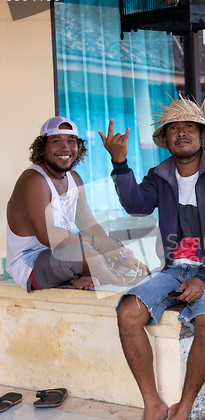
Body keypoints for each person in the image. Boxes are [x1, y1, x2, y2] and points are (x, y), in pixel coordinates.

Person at [100, 95, 205, 420]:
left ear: (201, 135)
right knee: (128, 312)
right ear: (165, 139)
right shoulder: (159, 176)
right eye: (173, 128)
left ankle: (182, 409)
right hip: (174, 268)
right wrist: (120, 164)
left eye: (189, 127)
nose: (181, 133)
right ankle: (153, 406)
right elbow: (136, 205)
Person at [6, 116, 148, 293]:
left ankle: (80, 277)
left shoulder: (74, 178)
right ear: (41, 148)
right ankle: (119, 281)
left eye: (71, 141)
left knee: (121, 253)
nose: (65, 147)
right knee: (88, 253)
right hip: (30, 264)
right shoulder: (34, 180)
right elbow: (46, 236)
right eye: (56, 141)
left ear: (78, 147)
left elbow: (88, 224)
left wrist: (118, 251)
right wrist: (98, 244)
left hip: (63, 254)